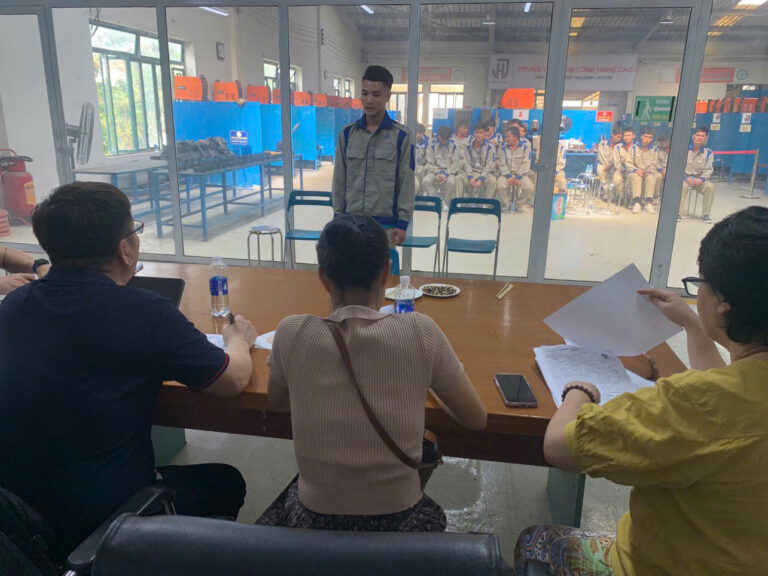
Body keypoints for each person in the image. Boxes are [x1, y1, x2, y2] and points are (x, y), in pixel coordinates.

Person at [0, 181, 256, 556]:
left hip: (19, 517)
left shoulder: (14, 305)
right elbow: (232, 380)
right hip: (105, 521)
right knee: (224, 482)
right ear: (126, 249)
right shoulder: (144, 312)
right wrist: (238, 340)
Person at [514, 205, 768, 576]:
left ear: (723, 306)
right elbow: (727, 400)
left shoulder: (689, 403)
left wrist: (579, 391)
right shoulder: (731, 396)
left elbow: (559, 446)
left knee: (535, 542)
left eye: (701, 284)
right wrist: (693, 325)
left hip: (668, 566)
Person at [259, 215, 487, 531]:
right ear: (385, 274)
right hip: (402, 524)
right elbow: (476, 418)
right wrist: (428, 378)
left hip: (312, 528)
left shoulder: (291, 332)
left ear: (323, 278)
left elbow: (277, 401)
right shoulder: (420, 332)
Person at [332, 65, 414, 246]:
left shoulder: (401, 137)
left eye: (376, 95)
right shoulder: (347, 134)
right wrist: (338, 215)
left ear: (387, 96)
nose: (369, 100)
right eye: (365, 93)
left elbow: (406, 182)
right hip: (351, 223)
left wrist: (403, 222)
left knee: (382, 265)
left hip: (385, 226)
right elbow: (339, 179)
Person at [679, 126, 715, 224]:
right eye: (698, 135)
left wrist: (702, 179)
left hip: (699, 180)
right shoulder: (684, 150)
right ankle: (677, 213)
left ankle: (705, 214)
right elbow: (678, 167)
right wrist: (685, 178)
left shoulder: (708, 153)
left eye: (703, 136)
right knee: (682, 187)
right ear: (693, 136)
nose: (700, 138)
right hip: (684, 179)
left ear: (706, 138)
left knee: (710, 187)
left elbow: (708, 170)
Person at [497, 125, 535, 212]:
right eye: (506, 137)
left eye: (508, 137)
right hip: (506, 174)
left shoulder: (525, 148)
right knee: (500, 186)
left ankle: (518, 204)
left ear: (515, 137)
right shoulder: (502, 148)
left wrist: (518, 177)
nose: (506, 139)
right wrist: (508, 176)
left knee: (529, 188)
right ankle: (506, 204)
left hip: (521, 175)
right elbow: (501, 163)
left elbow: (526, 163)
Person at [422, 125, 461, 205]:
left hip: (449, 171)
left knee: (451, 183)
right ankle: (436, 201)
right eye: (443, 139)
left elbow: (455, 164)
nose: (445, 141)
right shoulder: (432, 145)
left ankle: (446, 202)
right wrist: (437, 173)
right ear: (438, 136)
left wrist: (445, 174)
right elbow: (430, 162)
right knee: (425, 181)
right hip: (434, 171)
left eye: (447, 139)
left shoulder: (454, 145)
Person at [626, 127, 660, 214]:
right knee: (636, 178)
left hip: (648, 172)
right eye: (645, 136)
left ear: (652, 138)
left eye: (649, 137)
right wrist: (636, 170)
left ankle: (648, 203)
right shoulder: (634, 148)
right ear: (641, 136)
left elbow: (654, 164)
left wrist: (648, 171)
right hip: (635, 172)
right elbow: (628, 163)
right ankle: (636, 202)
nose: (647, 139)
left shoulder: (654, 150)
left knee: (651, 178)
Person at [463, 123, 497, 200]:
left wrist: (481, 178)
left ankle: (487, 203)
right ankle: (459, 202)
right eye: (476, 132)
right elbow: (467, 164)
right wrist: (470, 177)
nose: (478, 135)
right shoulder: (468, 147)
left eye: (481, 132)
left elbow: (489, 165)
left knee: (493, 181)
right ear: (473, 133)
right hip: (472, 172)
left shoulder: (490, 148)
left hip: (485, 173)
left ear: (484, 134)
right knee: (459, 178)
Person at [596, 126, 623, 198]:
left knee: (617, 175)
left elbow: (619, 159)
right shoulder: (602, 144)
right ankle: (608, 193)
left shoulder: (620, 146)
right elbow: (601, 156)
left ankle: (619, 196)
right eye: (618, 137)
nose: (619, 139)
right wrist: (607, 165)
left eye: (620, 138)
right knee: (600, 169)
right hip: (604, 165)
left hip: (615, 166)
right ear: (613, 135)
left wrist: (612, 164)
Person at [612, 127, 635, 204]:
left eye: (629, 135)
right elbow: (617, 163)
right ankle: (621, 197)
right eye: (625, 136)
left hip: (634, 171)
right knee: (617, 178)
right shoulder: (618, 147)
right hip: (622, 170)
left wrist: (633, 170)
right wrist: (624, 171)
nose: (626, 137)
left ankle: (633, 199)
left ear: (633, 136)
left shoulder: (637, 147)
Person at [655, 131, 671, 202]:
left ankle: (668, 197)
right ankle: (656, 196)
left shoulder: (675, 149)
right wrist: (661, 170)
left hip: (669, 171)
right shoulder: (656, 148)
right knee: (658, 177)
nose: (662, 143)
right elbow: (655, 161)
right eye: (661, 142)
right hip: (658, 170)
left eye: (665, 142)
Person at [414, 123, 428, 195]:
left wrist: (421, 164)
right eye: (417, 133)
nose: (418, 135)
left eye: (421, 133)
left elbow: (427, 157)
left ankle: (421, 192)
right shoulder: (410, 139)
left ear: (423, 133)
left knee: (421, 170)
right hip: (412, 165)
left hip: (422, 165)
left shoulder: (427, 142)